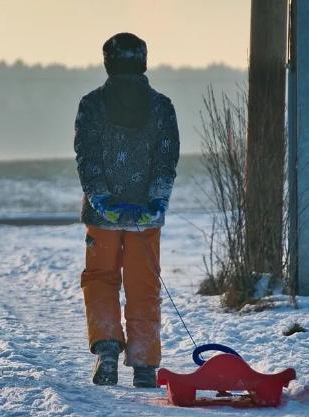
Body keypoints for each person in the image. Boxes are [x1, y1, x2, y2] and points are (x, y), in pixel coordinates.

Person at [73, 33, 180, 387]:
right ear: (143, 62)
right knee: (143, 285)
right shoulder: (162, 106)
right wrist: (156, 201)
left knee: (101, 279)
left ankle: (107, 349)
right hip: (146, 217)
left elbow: (87, 159)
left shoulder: (91, 105)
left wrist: (101, 198)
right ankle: (145, 363)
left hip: (103, 217)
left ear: (108, 63)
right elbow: (167, 160)